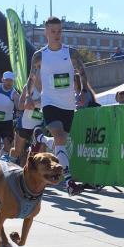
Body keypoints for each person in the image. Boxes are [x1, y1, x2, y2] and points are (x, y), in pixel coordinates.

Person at [27, 16, 89, 196]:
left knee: (60, 142)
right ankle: (69, 182)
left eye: (59, 31)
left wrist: (83, 91)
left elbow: (82, 72)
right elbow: (31, 77)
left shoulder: (71, 53)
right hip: (50, 103)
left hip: (68, 105)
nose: (56, 35)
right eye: (53, 31)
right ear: (46, 32)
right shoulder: (39, 55)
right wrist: (29, 97)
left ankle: (41, 139)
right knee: (60, 138)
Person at [9, 81, 43, 167]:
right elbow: (20, 106)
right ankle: (9, 169)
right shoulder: (28, 86)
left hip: (40, 125)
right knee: (17, 151)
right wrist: (33, 103)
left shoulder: (50, 86)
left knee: (37, 153)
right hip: (25, 124)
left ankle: (27, 177)